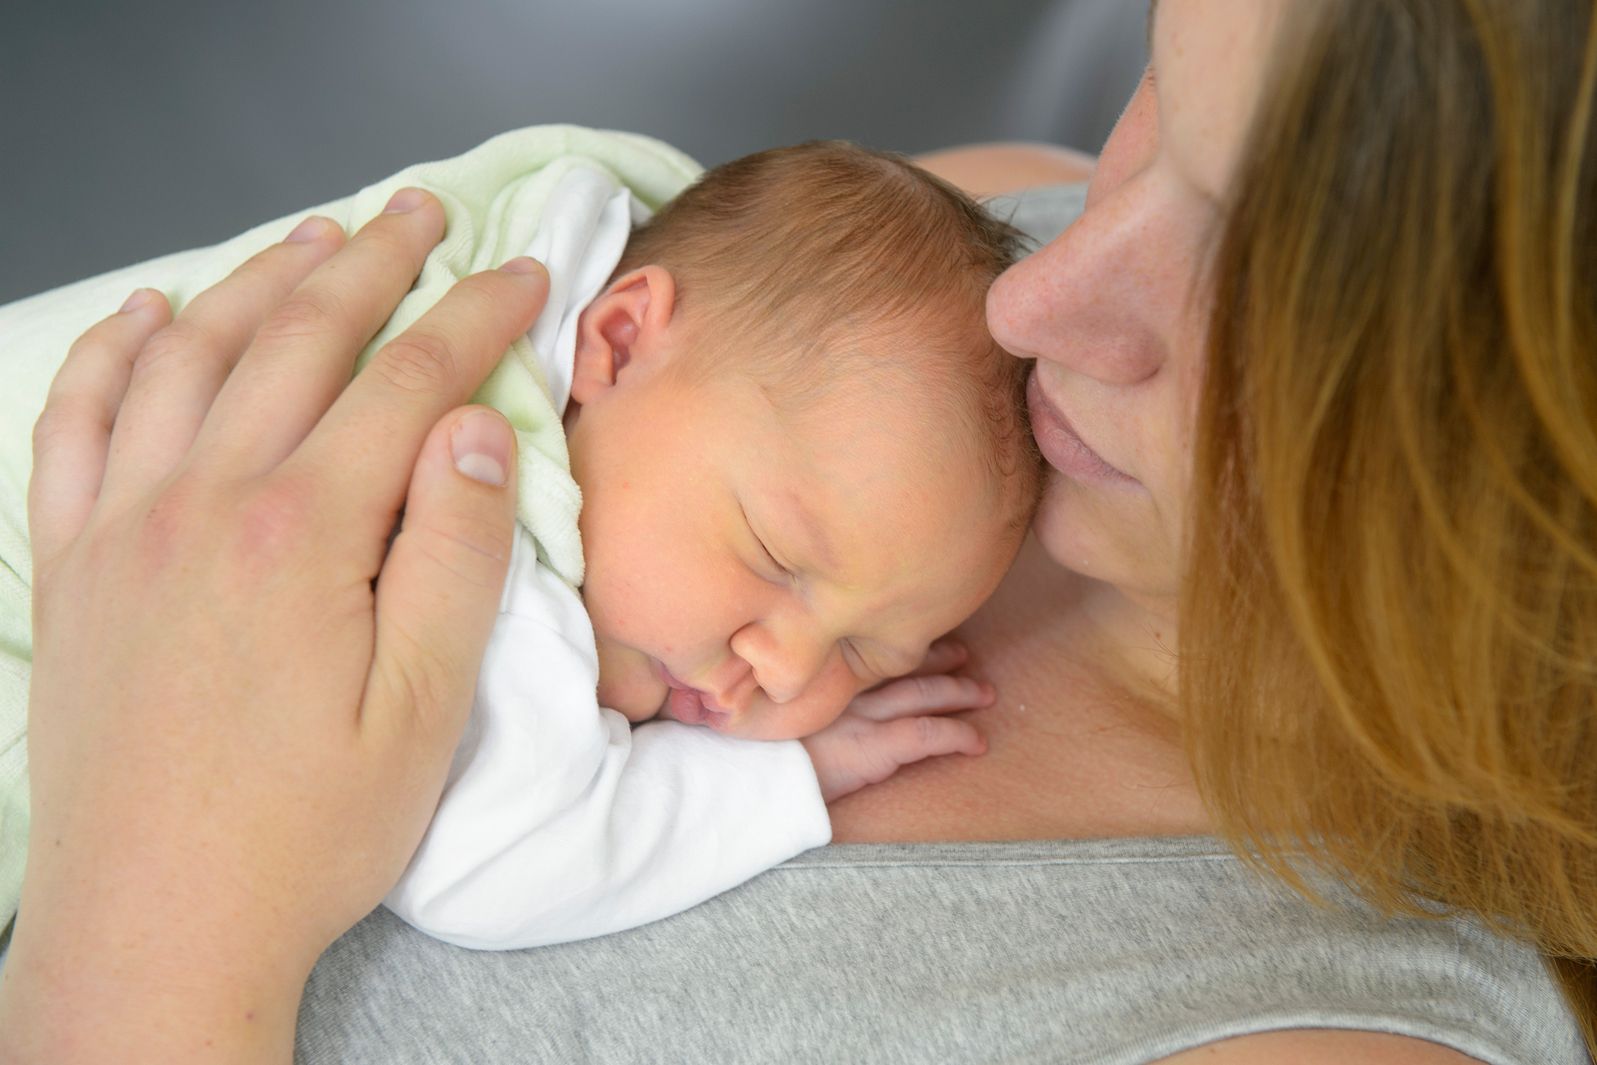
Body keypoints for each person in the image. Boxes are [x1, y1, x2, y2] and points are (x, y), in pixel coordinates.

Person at [1, 0, 1593, 1062]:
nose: (1038, 296)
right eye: (1160, 98)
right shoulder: (970, 269)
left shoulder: (1295, 1020)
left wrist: (146, 929)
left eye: (1259, 289)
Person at [0, 136, 1038, 950]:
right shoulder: (491, 503)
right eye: (772, 556)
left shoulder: (566, 224)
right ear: (619, 340)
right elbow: (486, 864)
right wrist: (781, 785)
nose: (789, 669)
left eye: (865, 656)